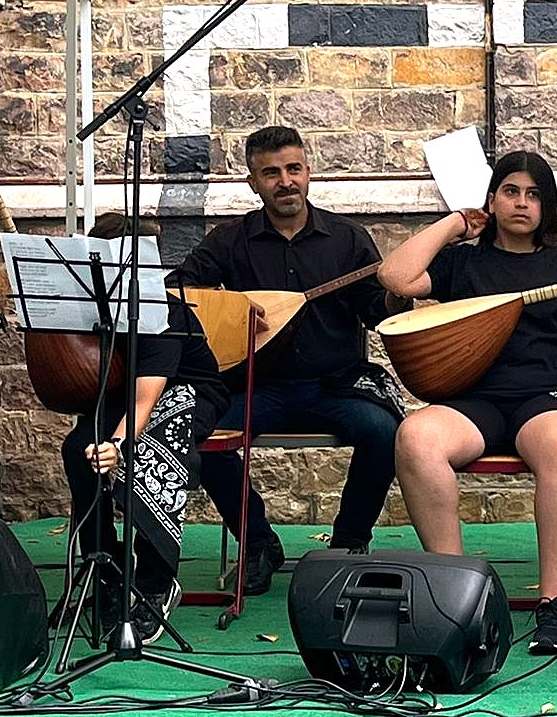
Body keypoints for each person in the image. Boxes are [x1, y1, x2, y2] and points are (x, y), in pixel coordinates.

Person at [382, 150, 557, 658]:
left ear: (547, 209)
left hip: (547, 397)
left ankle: (552, 607)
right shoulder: (463, 263)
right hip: (475, 399)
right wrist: (453, 224)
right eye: (511, 191)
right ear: (492, 199)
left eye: (535, 195)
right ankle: (457, 598)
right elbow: (396, 279)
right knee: (416, 437)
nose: (522, 203)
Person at [172, 125, 403, 595]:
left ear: (308, 172)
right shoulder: (229, 241)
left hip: (335, 384)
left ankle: (347, 546)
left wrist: (401, 295)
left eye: (293, 169)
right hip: (257, 387)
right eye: (271, 173)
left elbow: (376, 312)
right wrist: (232, 317)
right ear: (253, 183)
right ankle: (258, 542)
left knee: (386, 432)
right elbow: (178, 292)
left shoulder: (347, 239)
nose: (285, 181)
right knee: (203, 435)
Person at [62, 214, 228, 643]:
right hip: (125, 394)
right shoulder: (88, 308)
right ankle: (108, 567)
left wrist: (117, 443)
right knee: (78, 448)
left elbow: (146, 401)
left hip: (188, 391)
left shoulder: (162, 310)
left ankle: (157, 580)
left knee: (151, 446)